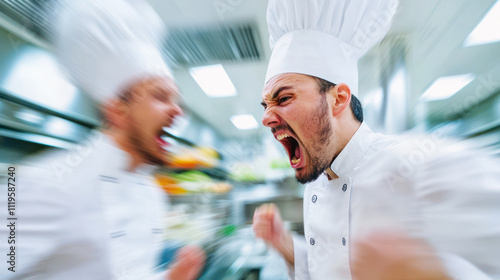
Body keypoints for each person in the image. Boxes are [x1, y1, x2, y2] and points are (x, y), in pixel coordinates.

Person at [253, 0, 500, 279]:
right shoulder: (317, 184)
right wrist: (284, 244)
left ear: (339, 99)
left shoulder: (429, 166)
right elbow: (325, 268)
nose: (266, 118)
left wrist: (429, 271)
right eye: (265, 105)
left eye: (283, 98)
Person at [0, 0, 205, 279]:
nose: (177, 111)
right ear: (117, 109)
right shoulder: (46, 186)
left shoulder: (149, 191)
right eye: (160, 96)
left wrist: (170, 277)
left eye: (176, 99)